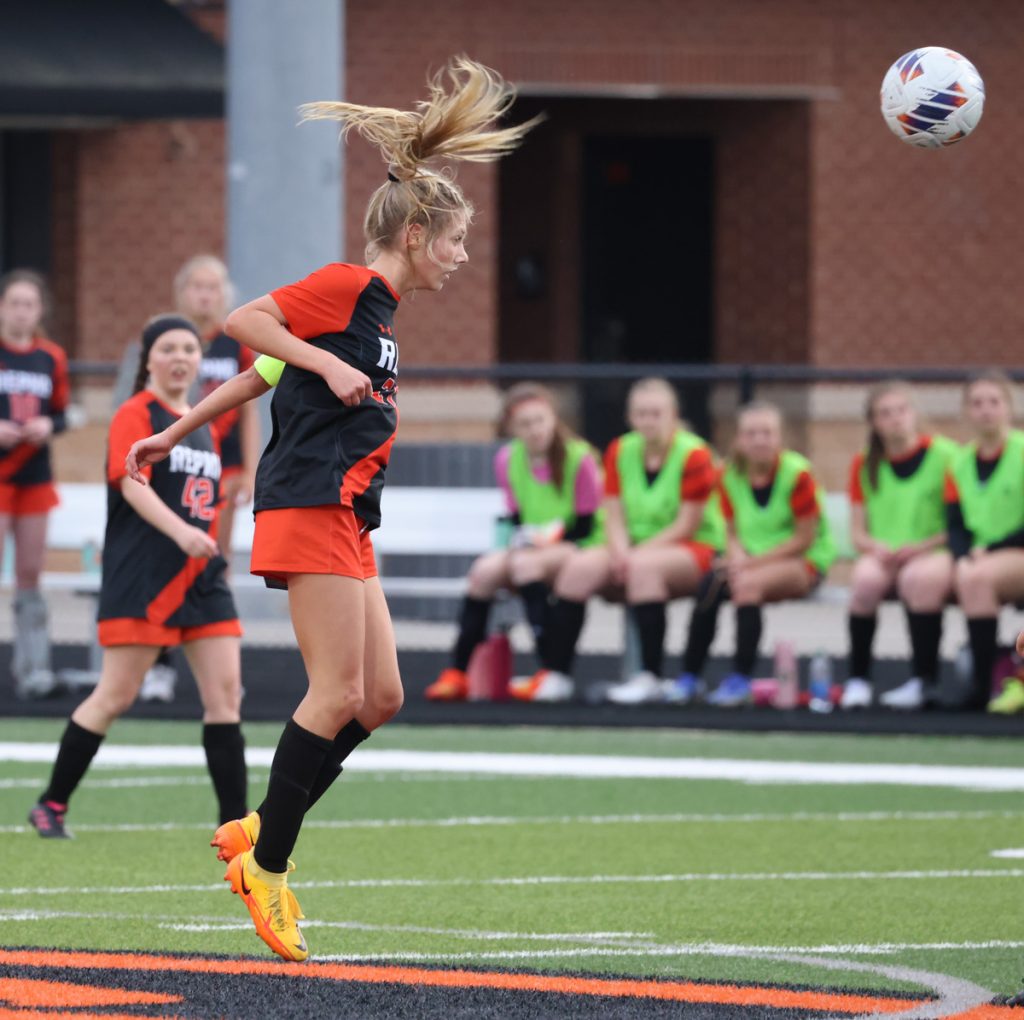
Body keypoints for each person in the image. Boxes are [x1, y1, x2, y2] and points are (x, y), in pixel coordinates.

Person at [125, 57, 538, 961]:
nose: (463, 257)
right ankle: (267, 867)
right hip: (310, 503)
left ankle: (261, 827)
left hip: (348, 514)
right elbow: (246, 321)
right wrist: (323, 363)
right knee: (337, 692)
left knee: (381, 696)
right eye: (456, 241)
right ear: (417, 234)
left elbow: (254, 375)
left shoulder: (377, 316)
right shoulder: (349, 289)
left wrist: (173, 432)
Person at [27, 315, 246, 839]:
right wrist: (182, 533)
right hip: (145, 574)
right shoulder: (136, 412)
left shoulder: (203, 420)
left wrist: (207, 543)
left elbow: (208, 501)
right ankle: (51, 804)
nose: (180, 357)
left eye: (189, 348)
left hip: (201, 576)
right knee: (116, 695)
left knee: (226, 696)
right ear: (148, 359)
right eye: (168, 348)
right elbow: (132, 484)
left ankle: (236, 830)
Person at [511, 377, 723, 704]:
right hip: (630, 547)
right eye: (641, 414)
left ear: (673, 415)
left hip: (692, 547)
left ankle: (649, 676)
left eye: (656, 413)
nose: (648, 421)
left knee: (643, 568)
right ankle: (557, 673)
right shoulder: (620, 450)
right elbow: (613, 513)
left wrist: (631, 556)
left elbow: (687, 524)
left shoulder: (694, 454)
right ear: (630, 417)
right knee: (578, 568)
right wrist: (620, 551)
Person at [425, 383, 603, 701]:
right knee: (483, 572)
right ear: (512, 428)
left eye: (540, 420)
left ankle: (551, 672)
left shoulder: (580, 457)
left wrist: (545, 540)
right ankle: (458, 672)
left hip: (581, 543)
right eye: (525, 423)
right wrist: (524, 540)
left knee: (525, 566)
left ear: (553, 418)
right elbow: (516, 518)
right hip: (533, 546)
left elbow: (585, 525)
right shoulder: (508, 459)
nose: (535, 430)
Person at [676, 401, 835, 707]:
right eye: (751, 433)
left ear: (779, 437)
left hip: (801, 561)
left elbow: (804, 538)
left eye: (767, 433)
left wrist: (750, 564)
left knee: (746, 586)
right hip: (752, 561)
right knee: (710, 583)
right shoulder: (728, 474)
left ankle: (741, 678)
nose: (759, 440)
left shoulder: (797, 474)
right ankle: (690, 676)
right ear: (739, 438)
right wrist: (737, 558)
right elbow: (730, 530)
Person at [840, 382, 958, 710]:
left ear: (914, 413)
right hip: (886, 555)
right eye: (885, 413)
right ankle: (859, 679)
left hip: (934, 551)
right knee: (864, 581)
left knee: (918, 580)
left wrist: (922, 546)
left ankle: (924, 680)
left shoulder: (946, 456)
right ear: (873, 422)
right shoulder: (864, 463)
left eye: (901, 410)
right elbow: (857, 533)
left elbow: (958, 525)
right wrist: (875, 547)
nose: (895, 419)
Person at [0, 270, 69, 699]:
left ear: (39, 310)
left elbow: (63, 412)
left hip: (35, 475)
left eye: (29, 304)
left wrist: (48, 425)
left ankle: (33, 668)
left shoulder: (51, 357)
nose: (22, 311)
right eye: (14, 303)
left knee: (29, 572)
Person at [945, 371, 1024, 711]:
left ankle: (989, 680)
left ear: (1009, 407)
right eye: (977, 403)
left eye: (994, 401)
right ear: (966, 411)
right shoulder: (960, 461)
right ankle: (974, 680)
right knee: (938, 578)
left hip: (1012, 550)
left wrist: (990, 550)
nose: (986, 410)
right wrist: (962, 555)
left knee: (976, 577)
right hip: (982, 555)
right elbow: (955, 522)